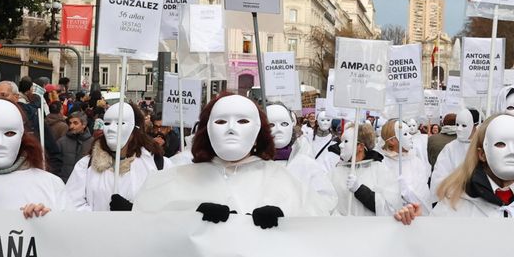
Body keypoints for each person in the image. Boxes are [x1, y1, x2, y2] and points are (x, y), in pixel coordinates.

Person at [135, 93, 329, 225]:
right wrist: (187, 219)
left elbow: (319, 234)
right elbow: (146, 232)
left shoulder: (285, 182)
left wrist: (286, 223)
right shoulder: (173, 180)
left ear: (259, 131)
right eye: (221, 121)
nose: (231, 128)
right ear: (207, 129)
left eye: (242, 121)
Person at [65, 102, 161, 211]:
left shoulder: (153, 164)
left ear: (135, 129)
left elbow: (163, 207)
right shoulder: (86, 165)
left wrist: (133, 211)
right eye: (107, 123)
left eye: (120, 123)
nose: (111, 129)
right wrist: (104, 221)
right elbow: (71, 203)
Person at [266, 103, 338, 214]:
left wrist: (296, 210)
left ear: (292, 125)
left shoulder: (306, 164)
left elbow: (327, 200)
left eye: (284, 123)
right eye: (271, 125)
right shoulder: (254, 165)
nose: (278, 129)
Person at [329, 122, 401, 216]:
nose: (340, 145)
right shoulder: (335, 171)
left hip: (369, 229)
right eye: (341, 141)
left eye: (346, 141)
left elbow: (389, 207)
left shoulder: (379, 170)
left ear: (361, 147)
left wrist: (360, 190)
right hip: (343, 228)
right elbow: (327, 203)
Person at [378, 119, 431, 208]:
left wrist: (406, 191)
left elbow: (424, 196)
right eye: (405, 134)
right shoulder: (382, 164)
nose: (410, 136)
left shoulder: (416, 161)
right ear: (392, 141)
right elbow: (381, 201)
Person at [430, 108, 476, 203]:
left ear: (475, 126)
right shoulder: (450, 148)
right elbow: (439, 178)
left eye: (464, 125)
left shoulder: (482, 147)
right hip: (452, 201)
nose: (459, 129)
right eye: (457, 125)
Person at [55, 111, 93, 182]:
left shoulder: (92, 143)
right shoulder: (61, 142)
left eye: (75, 123)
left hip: (83, 184)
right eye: (70, 123)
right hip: (64, 183)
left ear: (84, 125)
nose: (71, 126)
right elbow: (55, 163)